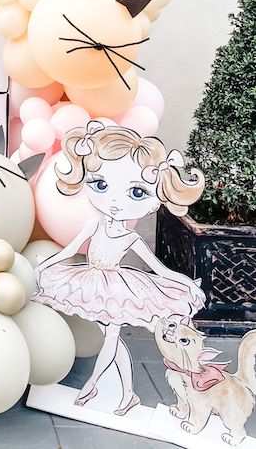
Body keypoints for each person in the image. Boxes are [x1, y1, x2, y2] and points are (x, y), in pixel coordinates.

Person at [34, 120, 205, 416]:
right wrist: (43, 267)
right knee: (112, 340)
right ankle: (127, 395)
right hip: (92, 282)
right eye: (100, 185)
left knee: (111, 338)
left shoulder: (131, 237)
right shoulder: (93, 225)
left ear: (153, 202)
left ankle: (93, 384)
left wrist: (187, 284)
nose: (113, 201)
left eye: (137, 192)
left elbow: (159, 270)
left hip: (118, 289)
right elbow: (70, 251)